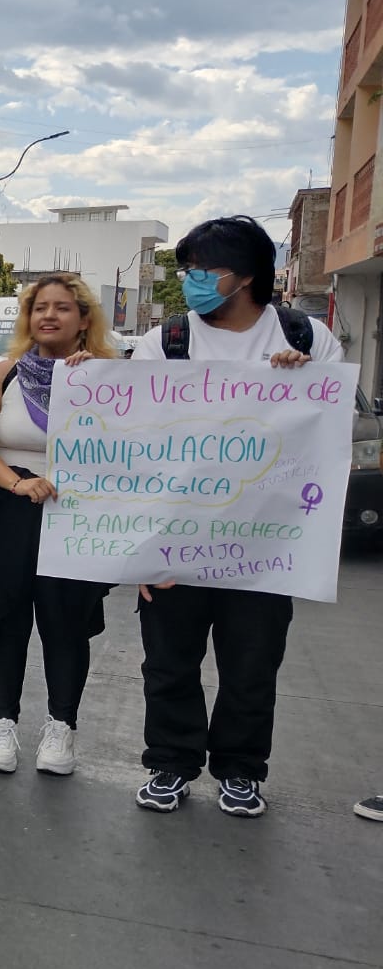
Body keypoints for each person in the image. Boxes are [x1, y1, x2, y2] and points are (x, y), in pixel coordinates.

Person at [129, 216, 344, 818]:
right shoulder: (166, 341)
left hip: (266, 547)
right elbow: (131, 444)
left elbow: (331, 437)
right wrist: (140, 547)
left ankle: (241, 770)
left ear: (246, 275)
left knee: (252, 667)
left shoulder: (306, 338)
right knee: (169, 664)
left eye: (204, 270)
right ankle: (170, 764)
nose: (192, 281)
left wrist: (307, 383)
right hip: (176, 542)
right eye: (186, 268)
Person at [0, 273, 118, 775]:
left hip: (76, 514)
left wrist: (94, 386)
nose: (48, 316)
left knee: (66, 624)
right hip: (8, 509)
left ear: (84, 319)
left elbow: (128, 449)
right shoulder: (4, 374)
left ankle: (61, 729)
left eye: (62, 308)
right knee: (4, 619)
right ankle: (3, 725)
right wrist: (18, 484)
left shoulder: (110, 377)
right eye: (40, 307)